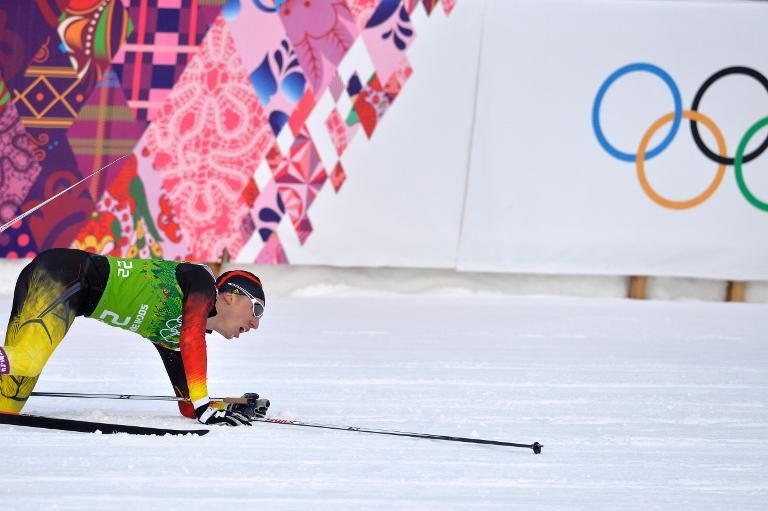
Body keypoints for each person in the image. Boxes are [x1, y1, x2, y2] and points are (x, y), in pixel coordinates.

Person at [0, 248, 268, 426]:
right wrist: (205, 410)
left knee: (7, 406)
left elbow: (189, 406)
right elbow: (192, 341)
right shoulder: (202, 282)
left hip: (71, 294)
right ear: (231, 297)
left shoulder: (175, 333)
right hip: (64, 275)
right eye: (256, 309)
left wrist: (234, 404)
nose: (255, 324)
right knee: (26, 361)